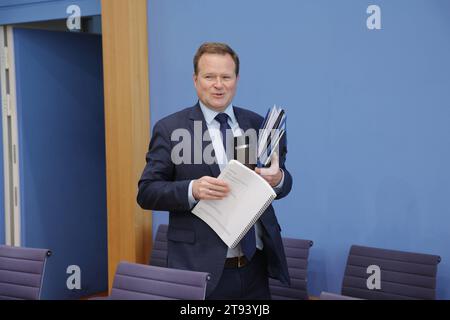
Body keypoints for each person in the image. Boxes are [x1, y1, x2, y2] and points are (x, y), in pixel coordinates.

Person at [137, 42, 292, 299]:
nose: (218, 84)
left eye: (225, 77)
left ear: (236, 80)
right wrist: (192, 189)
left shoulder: (256, 124)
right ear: (196, 79)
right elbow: (147, 192)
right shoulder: (170, 129)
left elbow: (284, 183)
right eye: (209, 76)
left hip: (255, 268)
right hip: (200, 271)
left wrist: (278, 179)